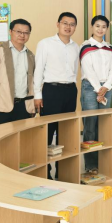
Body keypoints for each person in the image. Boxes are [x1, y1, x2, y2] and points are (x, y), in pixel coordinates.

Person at [34, 12, 80, 180]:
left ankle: (64, 172)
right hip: (51, 91)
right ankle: (45, 172)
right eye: (65, 23)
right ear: (58, 24)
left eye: (72, 24)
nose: (68, 27)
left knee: (66, 132)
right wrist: (37, 94)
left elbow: (75, 71)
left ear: (75, 27)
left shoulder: (76, 47)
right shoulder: (45, 43)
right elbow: (38, 70)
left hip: (70, 91)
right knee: (48, 132)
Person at [80, 15, 112, 174]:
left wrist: (106, 87)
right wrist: (98, 89)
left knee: (104, 125)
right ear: (92, 27)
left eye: (103, 26)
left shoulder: (109, 47)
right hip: (90, 87)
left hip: (107, 88)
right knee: (90, 126)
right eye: (97, 26)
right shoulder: (85, 46)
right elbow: (87, 70)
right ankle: (91, 165)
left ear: (106, 29)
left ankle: (104, 162)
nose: (100, 29)